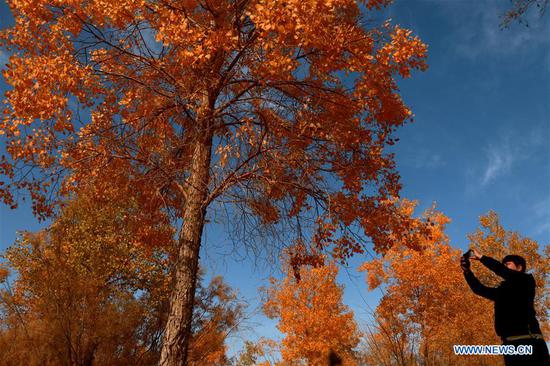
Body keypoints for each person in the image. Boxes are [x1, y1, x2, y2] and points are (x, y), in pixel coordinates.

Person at [461, 249, 549, 365]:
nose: (504, 267)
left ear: (519, 268)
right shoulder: (503, 291)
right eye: (504, 265)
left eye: (507, 264)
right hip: (509, 346)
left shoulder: (526, 281)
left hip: (529, 341)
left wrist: (482, 257)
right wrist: (467, 271)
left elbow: (502, 271)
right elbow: (479, 289)